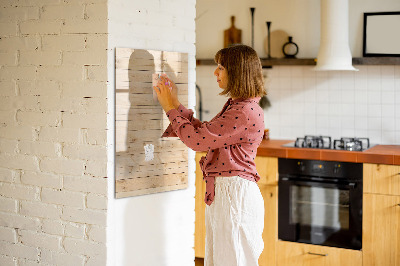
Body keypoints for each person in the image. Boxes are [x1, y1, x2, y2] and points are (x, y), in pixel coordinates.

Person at [153, 44, 266, 266]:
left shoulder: (243, 111)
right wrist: (175, 104)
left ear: (237, 71)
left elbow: (197, 141)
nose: (215, 72)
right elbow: (205, 134)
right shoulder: (239, 106)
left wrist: (169, 108)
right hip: (228, 193)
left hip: (234, 195)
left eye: (221, 67)